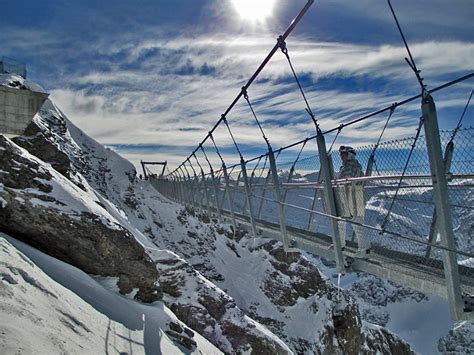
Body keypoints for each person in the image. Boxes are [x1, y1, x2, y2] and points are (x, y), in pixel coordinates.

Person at [336, 145, 371, 257]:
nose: (341, 156)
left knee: (357, 223)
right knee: (341, 220)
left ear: (350, 155)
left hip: (355, 197)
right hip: (348, 197)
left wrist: (336, 183)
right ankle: (340, 244)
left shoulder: (353, 167)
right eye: (341, 154)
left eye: (344, 154)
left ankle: (364, 249)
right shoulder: (345, 167)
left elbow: (344, 181)